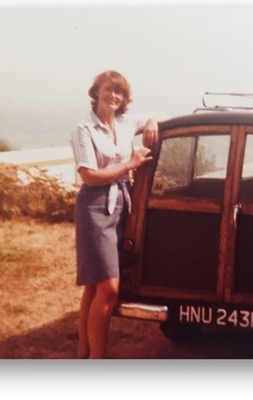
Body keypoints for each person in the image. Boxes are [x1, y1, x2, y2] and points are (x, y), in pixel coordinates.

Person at [70, 70, 158, 359]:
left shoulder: (124, 122)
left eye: (119, 92)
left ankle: (84, 348)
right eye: (108, 89)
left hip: (122, 203)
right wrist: (130, 164)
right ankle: (98, 357)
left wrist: (153, 121)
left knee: (95, 285)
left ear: (124, 99)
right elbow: (90, 175)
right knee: (109, 288)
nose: (113, 96)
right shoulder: (84, 129)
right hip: (95, 206)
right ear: (96, 92)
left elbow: (156, 118)